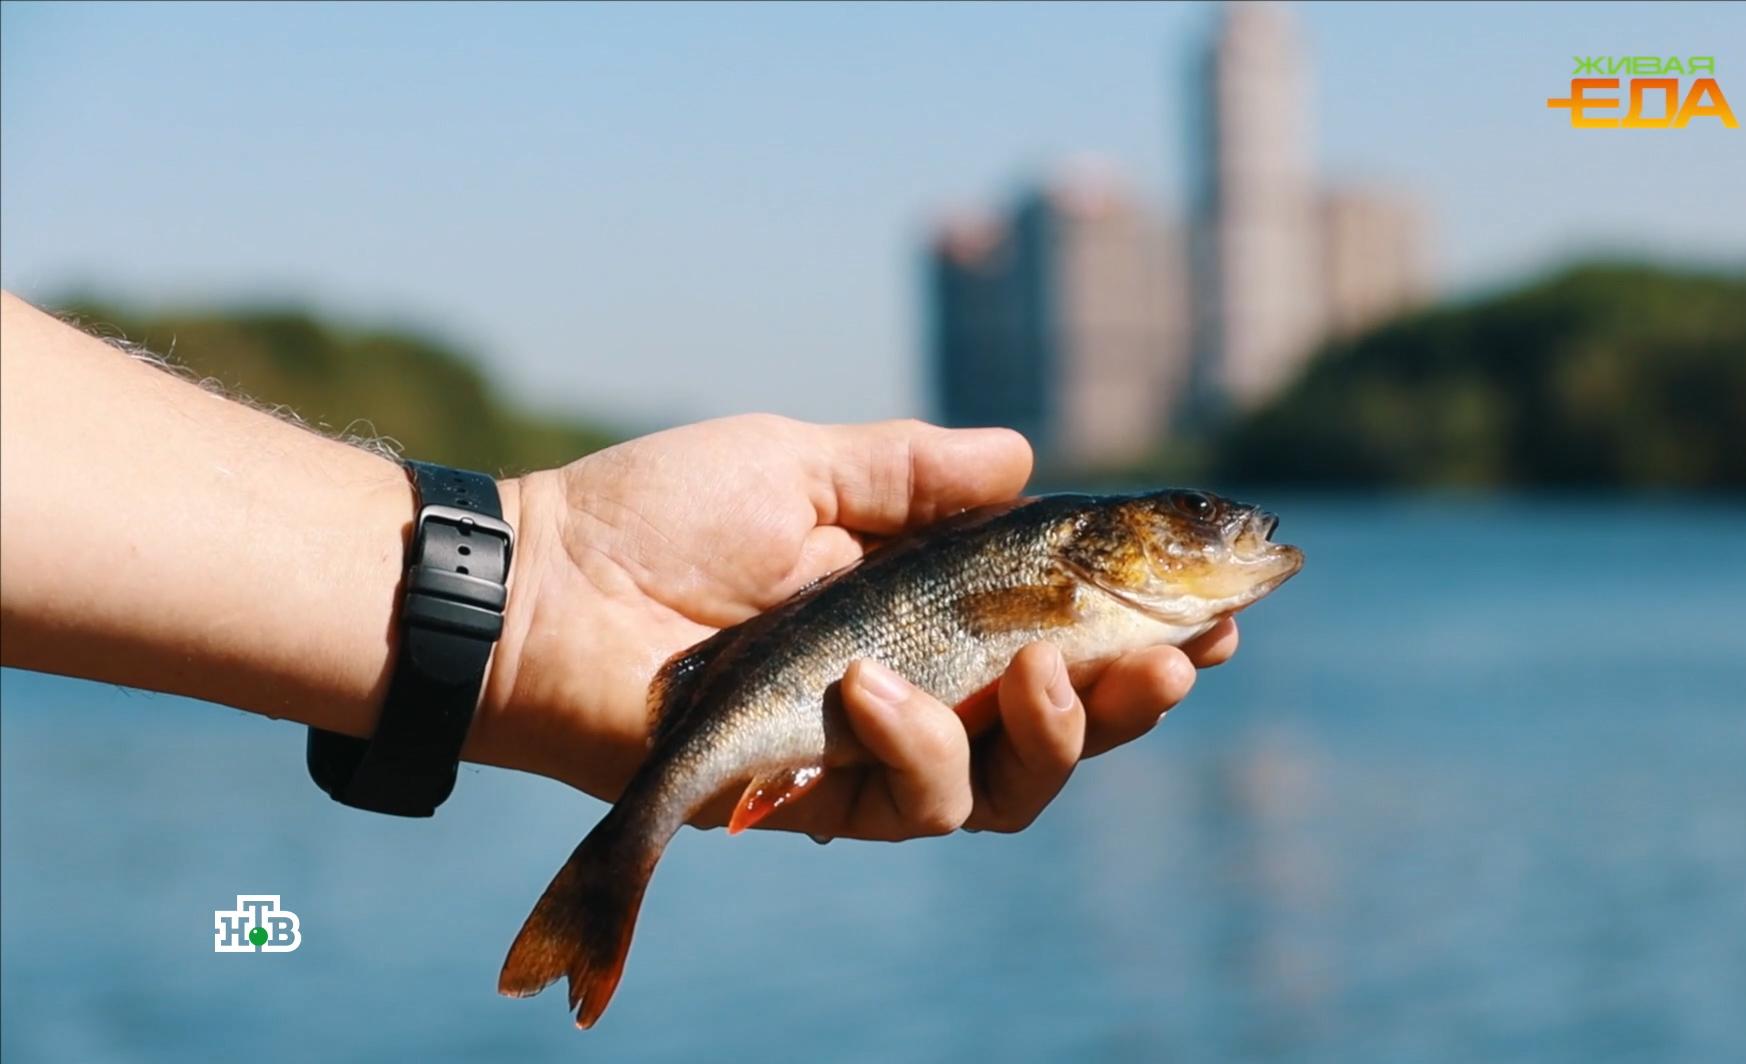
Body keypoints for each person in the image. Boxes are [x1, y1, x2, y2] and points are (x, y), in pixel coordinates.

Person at [0, 290, 1238, 838]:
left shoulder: (1091, 578)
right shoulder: (1063, 558)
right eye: (1191, 515)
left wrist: (534, 595)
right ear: (1112, 542)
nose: (1222, 529)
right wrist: (526, 591)